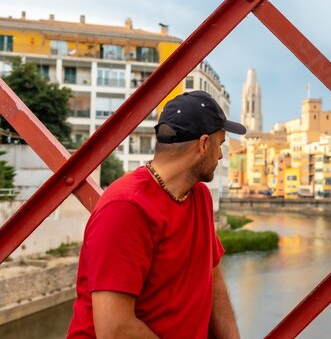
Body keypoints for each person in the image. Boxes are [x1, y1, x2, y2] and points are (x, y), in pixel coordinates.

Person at [67, 91, 245, 339]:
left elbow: (213, 282)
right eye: (220, 144)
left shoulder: (200, 196)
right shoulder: (126, 208)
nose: (220, 155)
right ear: (204, 145)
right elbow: (115, 329)